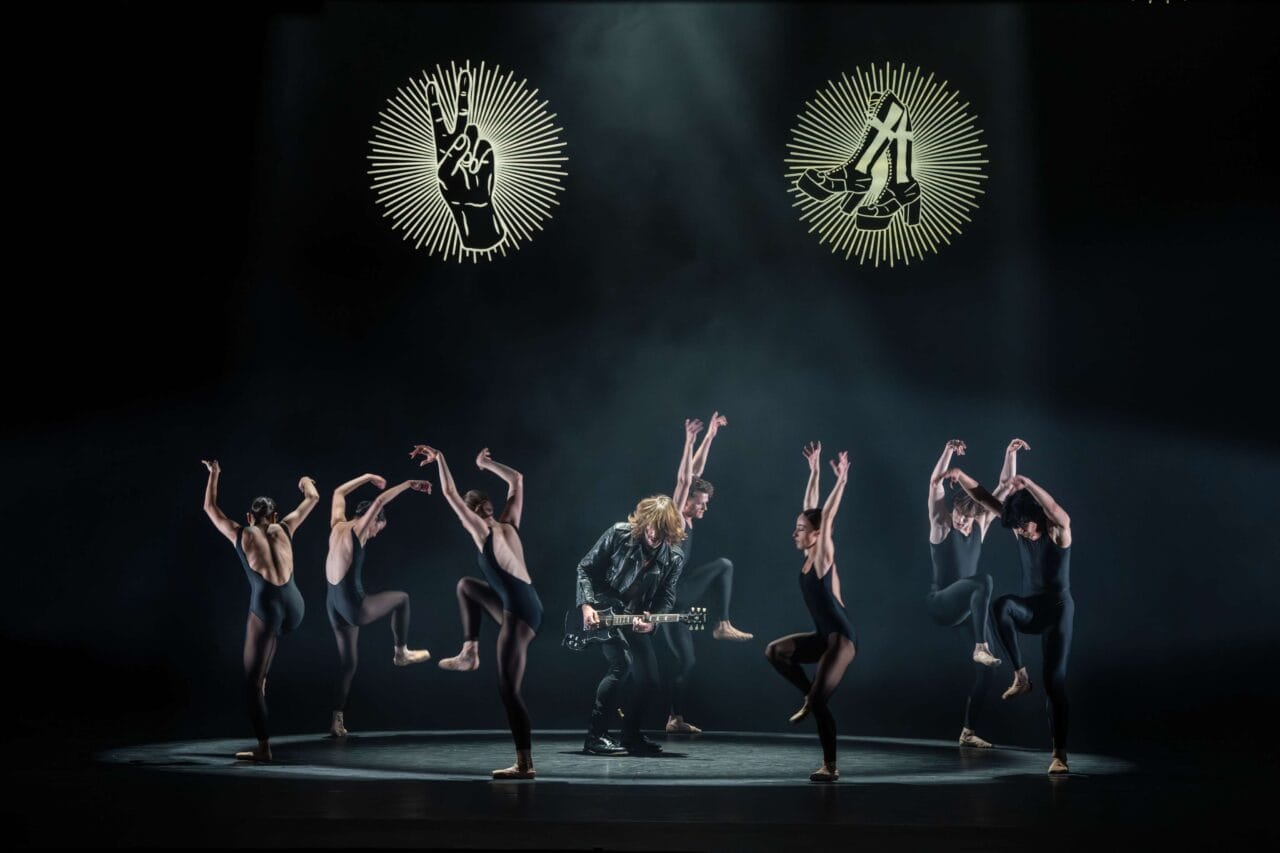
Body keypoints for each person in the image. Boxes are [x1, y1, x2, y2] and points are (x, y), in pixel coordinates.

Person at [412, 444, 543, 780]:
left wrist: (441, 458)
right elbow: (517, 479)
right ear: (489, 506)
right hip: (525, 603)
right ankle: (470, 651)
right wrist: (485, 463)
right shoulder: (509, 523)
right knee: (467, 586)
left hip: (518, 611)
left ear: (472, 513)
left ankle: (525, 765)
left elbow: (449, 493)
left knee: (508, 690)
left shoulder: (483, 530)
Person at [944, 465, 1074, 775]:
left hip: (1058, 613)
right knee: (1001, 606)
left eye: (1024, 528)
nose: (1020, 533)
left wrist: (1029, 483)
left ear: (1036, 520)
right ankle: (1020, 676)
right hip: (1030, 609)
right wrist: (961, 477)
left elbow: (1055, 510)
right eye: (1016, 528)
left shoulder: (1058, 530)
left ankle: (1059, 754)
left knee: (1055, 682)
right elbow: (983, 497)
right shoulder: (1017, 522)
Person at [201, 459, 318, 763]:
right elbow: (313, 498)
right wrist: (305, 479)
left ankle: (263, 747)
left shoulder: (241, 533)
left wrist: (215, 474)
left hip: (268, 608)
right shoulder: (286, 527)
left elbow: (210, 509)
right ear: (275, 516)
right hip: (296, 607)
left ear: (250, 516)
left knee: (252, 685)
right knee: (270, 638)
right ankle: (264, 670)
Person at [925, 439, 1028, 747]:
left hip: (969, 608)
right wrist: (947, 452)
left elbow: (1003, 490)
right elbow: (934, 484)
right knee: (983, 581)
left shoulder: (980, 523)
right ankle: (980, 645)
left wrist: (1009, 454)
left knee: (987, 671)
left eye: (968, 520)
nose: (963, 523)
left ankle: (968, 731)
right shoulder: (941, 524)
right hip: (942, 603)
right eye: (960, 517)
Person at [764, 443, 857, 782]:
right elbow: (812, 509)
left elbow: (825, 517)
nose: (795, 532)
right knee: (775, 652)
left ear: (816, 536)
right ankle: (809, 693)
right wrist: (815, 470)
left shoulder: (822, 555)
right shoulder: (810, 551)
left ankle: (830, 766)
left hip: (842, 641)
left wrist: (842, 480)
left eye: (801, 529)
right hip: (823, 637)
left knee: (820, 705)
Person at [576, 489, 688, 756]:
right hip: (604, 611)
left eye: (660, 530)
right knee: (622, 664)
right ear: (644, 521)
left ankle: (630, 736)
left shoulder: (674, 557)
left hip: (632, 616)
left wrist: (653, 622)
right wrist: (587, 604)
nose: (653, 534)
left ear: (669, 531)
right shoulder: (619, 534)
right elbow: (585, 568)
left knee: (649, 680)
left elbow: (666, 596)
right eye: (650, 526)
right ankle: (595, 737)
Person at [662, 413, 753, 736]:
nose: (704, 508)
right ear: (685, 503)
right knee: (724, 565)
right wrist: (688, 440)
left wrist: (710, 435)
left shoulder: (688, 513)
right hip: (673, 593)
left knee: (687, 663)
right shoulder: (673, 518)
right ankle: (722, 624)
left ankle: (674, 718)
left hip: (674, 606)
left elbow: (695, 475)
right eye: (700, 503)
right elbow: (685, 480)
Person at [325, 472, 434, 738]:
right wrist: (409, 483)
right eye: (377, 529)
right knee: (402, 599)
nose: (373, 535)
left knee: (348, 663)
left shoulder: (337, 524)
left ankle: (336, 720)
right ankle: (401, 653)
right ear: (372, 520)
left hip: (333, 604)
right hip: (353, 605)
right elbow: (381, 500)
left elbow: (338, 492)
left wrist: (366, 477)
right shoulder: (358, 529)